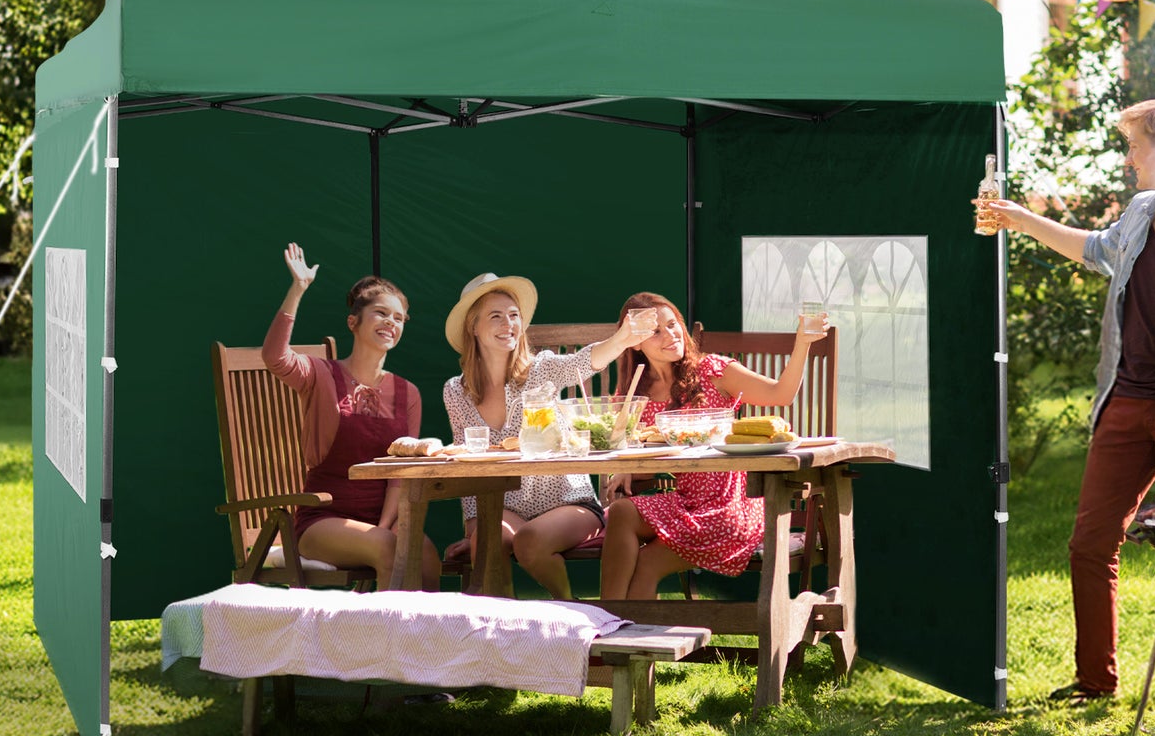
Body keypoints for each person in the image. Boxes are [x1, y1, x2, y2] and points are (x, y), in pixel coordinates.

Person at [986, 98, 1155, 710]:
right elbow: (1097, 250)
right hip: (1124, 402)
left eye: (1135, 144)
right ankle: (1095, 680)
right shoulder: (1140, 211)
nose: (1128, 156)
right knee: (1089, 542)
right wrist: (1021, 218)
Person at [599, 292, 829, 599]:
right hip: (684, 503)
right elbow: (630, 445)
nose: (670, 335)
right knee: (621, 512)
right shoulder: (634, 391)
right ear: (635, 342)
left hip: (731, 508)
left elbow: (780, 394)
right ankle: (606, 624)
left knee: (647, 564)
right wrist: (627, 467)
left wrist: (802, 343)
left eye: (672, 324)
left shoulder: (712, 371)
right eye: (656, 331)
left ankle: (620, 632)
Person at [442, 273, 650, 599]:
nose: (508, 324)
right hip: (504, 504)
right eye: (495, 316)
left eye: (514, 316)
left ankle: (572, 612)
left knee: (529, 541)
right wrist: (475, 526)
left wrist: (621, 339)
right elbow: (467, 465)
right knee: (486, 545)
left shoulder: (541, 369)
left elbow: (584, 362)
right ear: (474, 326)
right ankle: (507, 630)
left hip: (569, 502)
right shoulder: (456, 391)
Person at [261, 243, 441, 590]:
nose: (392, 322)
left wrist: (387, 524)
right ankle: (383, 643)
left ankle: (422, 644)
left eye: (399, 318)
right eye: (381, 313)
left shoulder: (409, 394)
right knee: (392, 549)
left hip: (381, 523)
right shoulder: (320, 375)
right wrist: (297, 289)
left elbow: (400, 477)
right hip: (322, 520)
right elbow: (274, 356)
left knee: (428, 558)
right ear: (353, 322)